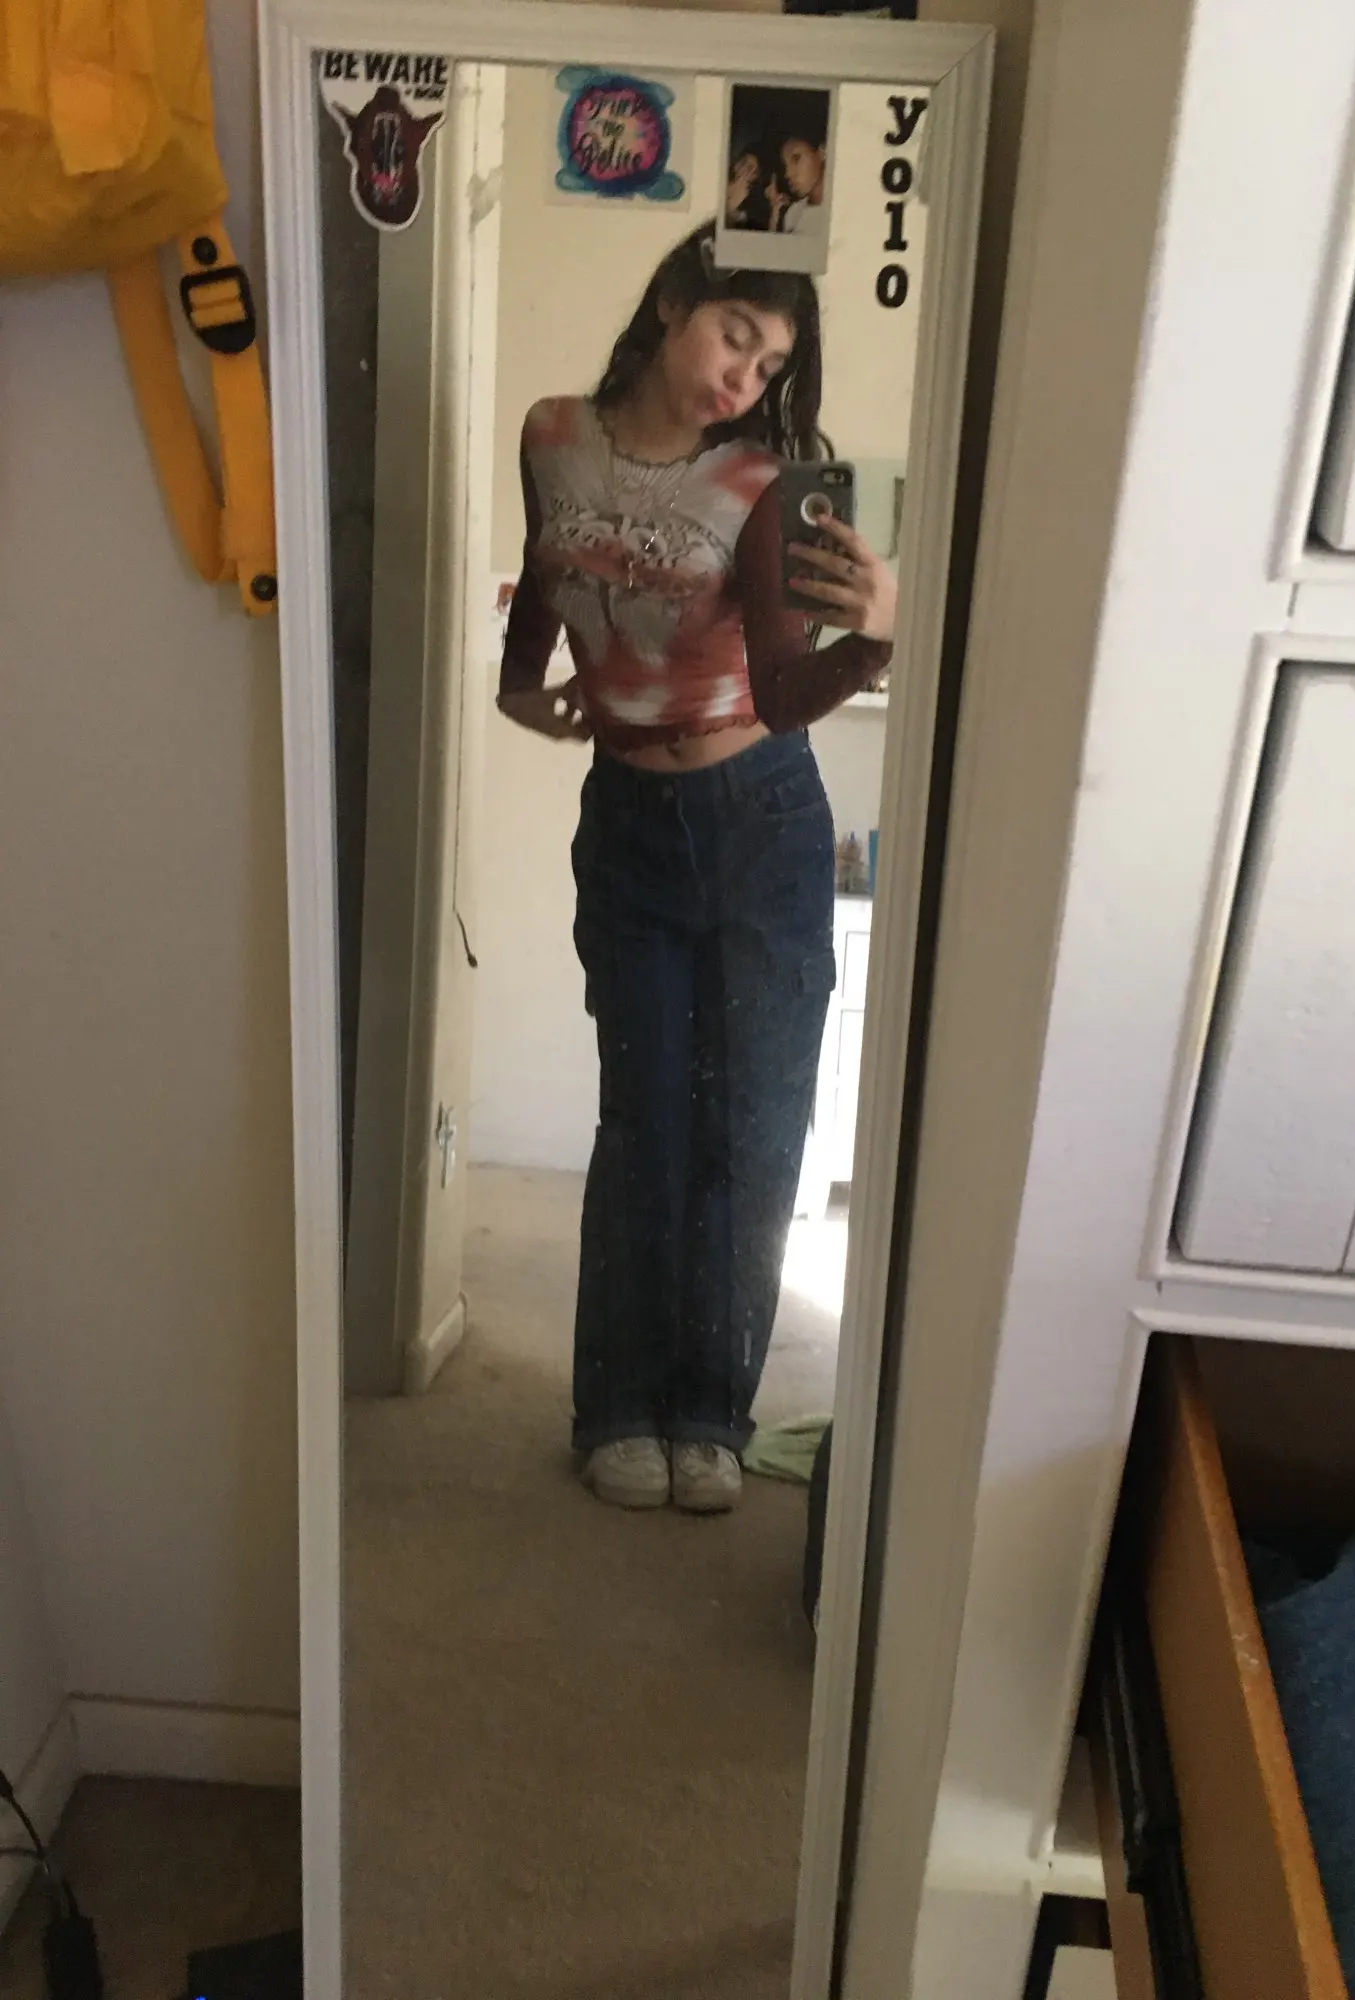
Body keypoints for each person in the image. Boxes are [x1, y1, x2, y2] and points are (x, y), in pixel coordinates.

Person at [497, 222, 895, 1514]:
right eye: (735, 335)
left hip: (758, 818)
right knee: (644, 1120)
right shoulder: (553, 434)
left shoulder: (758, 483)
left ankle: (712, 1415)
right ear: (672, 301)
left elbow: (781, 696)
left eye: (769, 361)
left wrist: (875, 641)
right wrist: (523, 685)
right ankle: (619, 1405)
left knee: (750, 1125)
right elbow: (552, 570)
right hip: (627, 820)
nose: (744, 376)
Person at [775, 126, 827, 234]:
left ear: (822, 152)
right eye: (785, 165)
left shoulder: (844, 209)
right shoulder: (793, 214)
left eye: (796, 159)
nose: (788, 173)